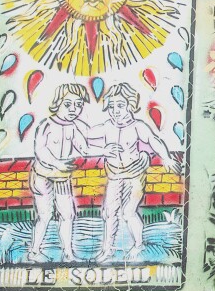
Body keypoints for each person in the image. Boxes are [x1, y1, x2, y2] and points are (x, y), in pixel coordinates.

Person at [93, 82, 177, 262]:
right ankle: (107, 249)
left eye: (121, 106)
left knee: (128, 212)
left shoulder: (137, 126)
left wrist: (166, 157)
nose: (116, 110)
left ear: (130, 105)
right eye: (112, 106)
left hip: (134, 174)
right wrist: (101, 150)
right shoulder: (107, 126)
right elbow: (86, 135)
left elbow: (154, 141)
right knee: (109, 212)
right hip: (115, 174)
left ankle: (138, 244)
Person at [30, 81, 92, 261]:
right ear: (57, 103)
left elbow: (84, 147)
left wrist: (104, 151)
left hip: (62, 177)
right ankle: (34, 251)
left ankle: (68, 252)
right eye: (68, 104)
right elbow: (40, 151)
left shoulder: (73, 126)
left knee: (67, 214)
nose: (74, 109)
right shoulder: (47, 125)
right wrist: (57, 163)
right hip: (43, 176)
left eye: (78, 105)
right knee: (45, 215)